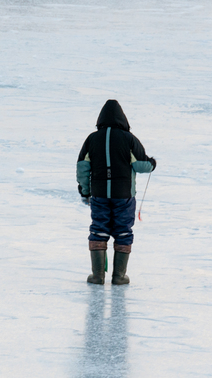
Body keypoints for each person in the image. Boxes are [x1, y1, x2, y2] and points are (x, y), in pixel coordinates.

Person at [76, 100, 156, 285]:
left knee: (98, 230)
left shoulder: (91, 139)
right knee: (123, 232)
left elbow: (82, 168)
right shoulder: (129, 138)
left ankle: (97, 276)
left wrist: (85, 191)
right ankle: (119, 277)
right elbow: (141, 165)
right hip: (124, 197)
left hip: (99, 195)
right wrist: (152, 163)